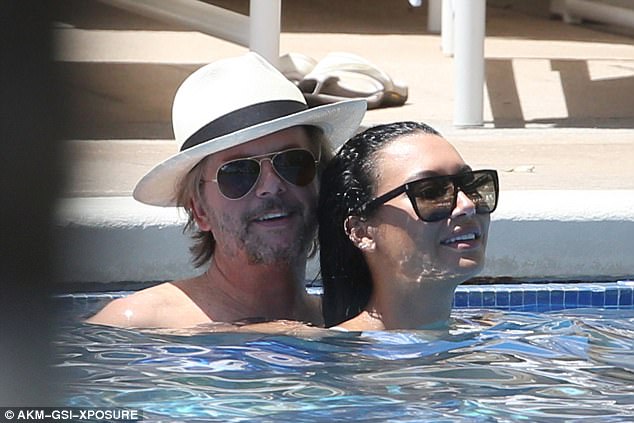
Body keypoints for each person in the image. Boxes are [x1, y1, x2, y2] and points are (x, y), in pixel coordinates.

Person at [87, 52, 366, 329]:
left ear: (320, 181)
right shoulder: (140, 325)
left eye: (293, 163)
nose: (271, 186)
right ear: (199, 210)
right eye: (238, 172)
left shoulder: (351, 321)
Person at [318, 121, 498, 330]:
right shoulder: (339, 348)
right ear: (361, 232)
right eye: (430, 193)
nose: (467, 205)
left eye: (470, 185)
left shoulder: (490, 331)